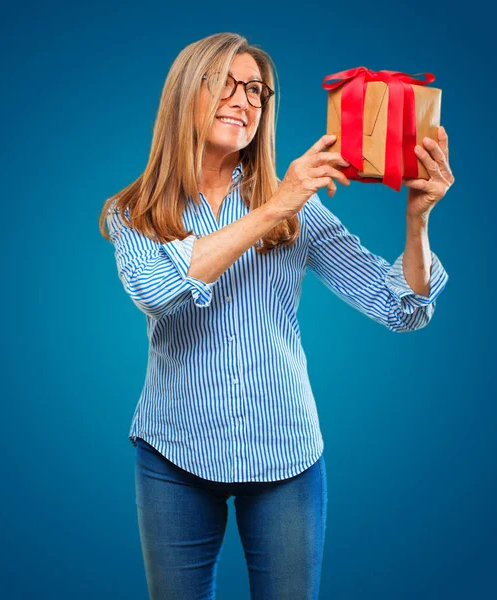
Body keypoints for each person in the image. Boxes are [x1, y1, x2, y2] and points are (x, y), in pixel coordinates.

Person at [99, 33, 453, 600]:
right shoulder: (134, 210)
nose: (244, 100)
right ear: (185, 92)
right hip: (173, 455)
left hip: (285, 455)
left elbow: (400, 308)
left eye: (257, 91)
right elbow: (159, 290)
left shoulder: (297, 205)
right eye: (226, 84)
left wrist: (417, 221)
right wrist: (274, 208)